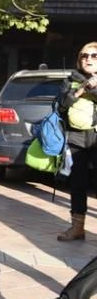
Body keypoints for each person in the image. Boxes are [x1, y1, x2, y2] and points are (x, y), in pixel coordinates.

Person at [54, 43, 97, 242]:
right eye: (84, 55)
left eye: (94, 56)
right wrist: (82, 89)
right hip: (77, 138)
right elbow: (61, 105)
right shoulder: (71, 80)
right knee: (77, 184)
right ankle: (77, 227)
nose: (88, 59)